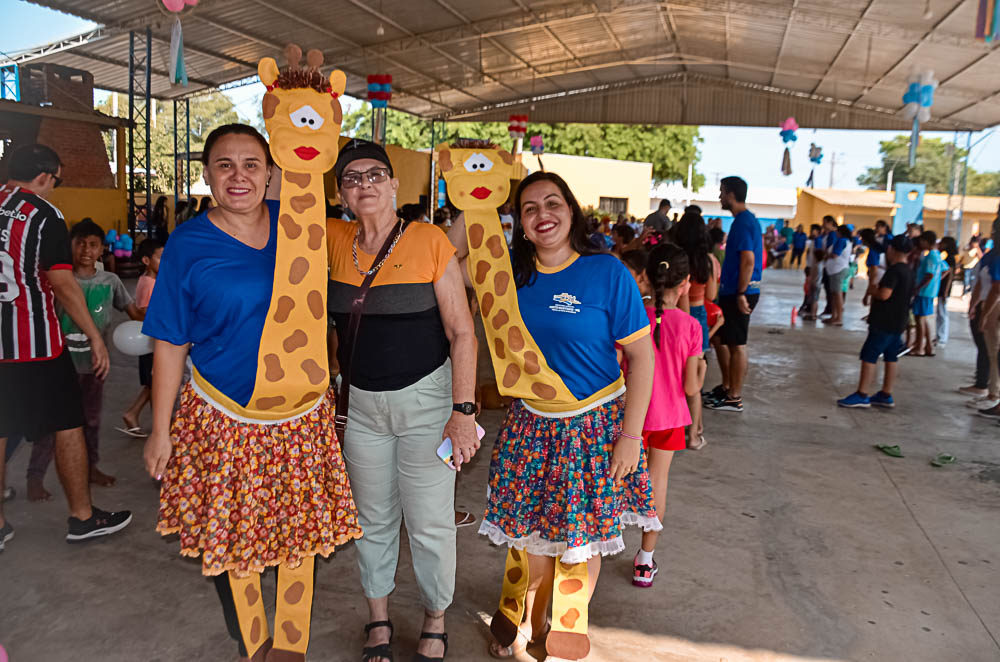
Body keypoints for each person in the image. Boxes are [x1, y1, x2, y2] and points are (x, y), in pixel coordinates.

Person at [141, 124, 362, 660]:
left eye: (251, 164)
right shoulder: (189, 244)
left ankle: (290, 644)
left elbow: (383, 242)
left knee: (299, 532)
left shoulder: (303, 227)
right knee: (234, 533)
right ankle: (254, 641)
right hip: (222, 415)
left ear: (271, 171)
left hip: (300, 417)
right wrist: (159, 430)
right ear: (207, 174)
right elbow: (170, 341)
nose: (238, 176)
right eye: (224, 164)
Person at [446, 170, 658, 660]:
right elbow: (443, 265)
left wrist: (632, 435)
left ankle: (564, 623)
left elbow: (643, 358)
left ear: (572, 211)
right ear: (517, 222)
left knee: (583, 536)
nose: (543, 215)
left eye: (553, 203)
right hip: (530, 425)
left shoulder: (607, 273)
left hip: (597, 426)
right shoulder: (505, 277)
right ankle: (526, 616)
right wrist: (474, 203)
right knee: (532, 535)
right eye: (529, 208)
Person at [327, 139, 479, 662]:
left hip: (428, 404)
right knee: (371, 518)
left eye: (374, 175)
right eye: (351, 177)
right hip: (362, 407)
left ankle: (435, 618)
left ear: (394, 184)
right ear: (340, 191)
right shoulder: (330, 239)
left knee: (430, 519)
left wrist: (463, 413)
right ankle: (379, 620)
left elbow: (462, 333)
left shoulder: (430, 241)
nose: (363, 184)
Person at [0, 144, 132, 551]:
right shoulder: (42, 214)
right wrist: (95, 336)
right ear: (44, 176)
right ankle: (82, 517)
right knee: (68, 424)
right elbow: (62, 282)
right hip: (34, 342)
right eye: (55, 180)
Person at [25, 218, 145, 500]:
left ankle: (91, 468)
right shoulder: (58, 281)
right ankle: (35, 477)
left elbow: (134, 313)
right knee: (51, 423)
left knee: (90, 420)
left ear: (102, 249)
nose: (85, 250)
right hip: (58, 364)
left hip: (94, 365)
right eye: (79, 243)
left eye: (92, 244)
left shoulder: (110, 281)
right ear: (70, 246)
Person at [631, 243, 703, 587]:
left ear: (647, 277)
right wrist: (700, 370)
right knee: (657, 486)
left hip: (630, 419)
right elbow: (691, 388)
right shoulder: (690, 327)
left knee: (613, 483)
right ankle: (645, 561)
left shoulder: (632, 318)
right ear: (686, 283)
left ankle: (593, 551)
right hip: (670, 419)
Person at [837, 235, 915, 408]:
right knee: (891, 357)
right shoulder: (909, 271)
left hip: (884, 321)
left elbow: (884, 294)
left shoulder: (894, 271)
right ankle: (886, 393)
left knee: (869, 355)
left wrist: (873, 289)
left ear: (891, 250)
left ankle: (862, 394)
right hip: (898, 321)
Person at [706, 176, 760, 413]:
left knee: (738, 344)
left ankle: (734, 397)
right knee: (723, 340)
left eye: (721, 192)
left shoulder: (744, 222)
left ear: (730, 194)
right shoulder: (741, 221)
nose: (719, 197)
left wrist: (741, 292)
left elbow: (748, 260)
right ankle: (727, 387)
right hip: (733, 291)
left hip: (741, 292)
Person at [673, 212, 718, 449]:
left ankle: (677, 426)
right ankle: (694, 432)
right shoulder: (706, 260)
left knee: (672, 374)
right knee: (695, 377)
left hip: (672, 315)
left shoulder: (676, 257)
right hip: (698, 317)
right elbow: (711, 295)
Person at [120, 238, 163, 437]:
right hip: (149, 341)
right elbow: (146, 312)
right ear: (146, 260)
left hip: (152, 340)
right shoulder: (149, 283)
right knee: (156, 382)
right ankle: (157, 425)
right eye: (161, 257)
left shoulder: (152, 280)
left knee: (154, 383)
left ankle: (133, 413)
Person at [911, 230, 943, 357]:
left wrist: (918, 287)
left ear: (925, 241)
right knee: (923, 319)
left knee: (920, 319)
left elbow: (929, 275)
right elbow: (944, 270)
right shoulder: (937, 255)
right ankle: (928, 346)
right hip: (930, 291)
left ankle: (919, 347)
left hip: (924, 291)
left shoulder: (931, 256)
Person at [822, 223, 851, 326]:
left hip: (838, 270)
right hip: (835, 270)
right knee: (834, 294)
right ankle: (834, 316)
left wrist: (826, 255)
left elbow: (835, 255)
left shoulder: (841, 241)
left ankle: (839, 317)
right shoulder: (844, 241)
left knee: (837, 294)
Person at [936, 236, 958, 347]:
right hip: (942, 288)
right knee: (940, 313)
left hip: (944, 289)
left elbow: (950, 276)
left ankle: (942, 337)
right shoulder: (947, 257)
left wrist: (945, 291)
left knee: (942, 313)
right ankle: (939, 335)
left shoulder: (950, 259)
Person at [801, 224, 823, 320]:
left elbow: (817, 253)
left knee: (813, 291)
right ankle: (810, 310)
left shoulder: (818, 240)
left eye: (812, 230)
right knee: (809, 289)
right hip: (811, 266)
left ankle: (812, 313)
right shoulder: (814, 241)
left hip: (813, 268)